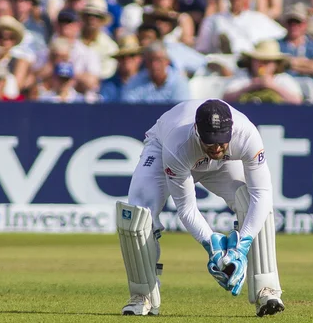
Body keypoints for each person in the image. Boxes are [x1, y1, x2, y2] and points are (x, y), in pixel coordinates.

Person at [116, 99, 284, 317]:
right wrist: (211, 245)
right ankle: (142, 296)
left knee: (252, 202)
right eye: (210, 141)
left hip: (223, 165)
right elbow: (186, 207)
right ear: (197, 130)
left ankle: (266, 289)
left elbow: (262, 193)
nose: (216, 147)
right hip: (163, 149)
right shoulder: (178, 143)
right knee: (136, 214)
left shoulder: (246, 135)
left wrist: (241, 246)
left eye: (222, 141)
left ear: (231, 130)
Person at [223, 40, 303, 105]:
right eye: (259, 61)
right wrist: (251, 86)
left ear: (276, 64)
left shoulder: (283, 79)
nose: (262, 65)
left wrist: (271, 86)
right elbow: (226, 99)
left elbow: (296, 101)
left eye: (267, 62)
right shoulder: (243, 77)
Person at [121, 41, 191, 104]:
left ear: (167, 61)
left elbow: (182, 112)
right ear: (146, 63)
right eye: (150, 60)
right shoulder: (135, 82)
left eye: (159, 60)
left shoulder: (179, 82)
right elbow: (128, 107)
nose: (154, 65)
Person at [278, 3, 313, 79]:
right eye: (290, 22)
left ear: (305, 24)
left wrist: (291, 64)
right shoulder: (278, 44)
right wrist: (307, 64)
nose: (293, 26)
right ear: (285, 24)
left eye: (298, 22)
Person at [100, 34, 143, 102]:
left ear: (139, 59)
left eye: (132, 55)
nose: (127, 60)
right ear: (118, 60)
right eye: (122, 57)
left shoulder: (147, 83)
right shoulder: (107, 85)